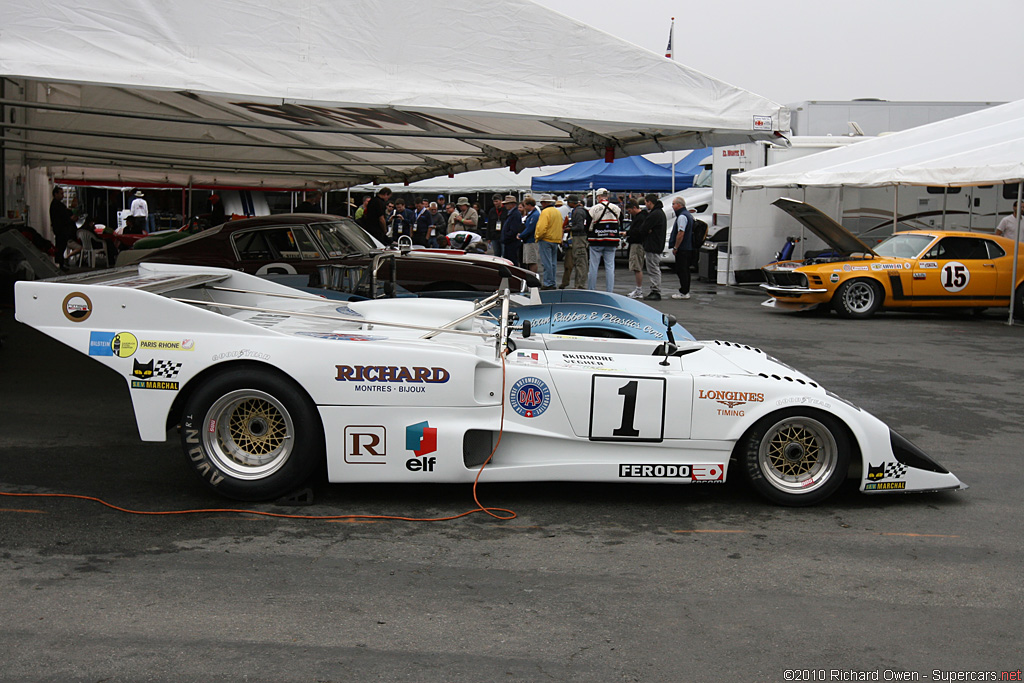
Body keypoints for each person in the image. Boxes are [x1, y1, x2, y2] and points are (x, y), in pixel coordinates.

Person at [587, 188, 622, 292]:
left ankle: (591, 289)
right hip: (611, 240)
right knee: (610, 267)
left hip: (596, 240)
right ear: (607, 196)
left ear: (598, 197)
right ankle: (609, 291)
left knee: (593, 266)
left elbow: (588, 225)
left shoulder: (593, 209)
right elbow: (620, 223)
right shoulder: (616, 209)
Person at [535, 194, 563, 290]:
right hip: (555, 239)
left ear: (544, 203)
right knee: (553, 263)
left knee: (546, 263)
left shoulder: (545, 212)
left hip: (546, 239)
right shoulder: (557, 212)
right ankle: (552, 282)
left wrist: (538, 236)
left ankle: (548, 283)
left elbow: (542, 227)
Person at [641, 193, 666, 301]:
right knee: (654, 267)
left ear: (649, 202)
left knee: (653, 268)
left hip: (653, 244)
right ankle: (655, 289)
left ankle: (656, 290)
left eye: (646, 203)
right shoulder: (660, 213)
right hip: (657, 243)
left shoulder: (654, 214)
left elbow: (643, 228)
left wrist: (647, 231)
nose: (645, 205)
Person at [670, 197, 694, 300]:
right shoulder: (688, 215)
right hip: (688, 247)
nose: (672, 206)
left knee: (682, 270)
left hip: (683, 248)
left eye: (674, 204)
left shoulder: (682, 217)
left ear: (679, 205)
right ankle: (685, 290)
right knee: (685, 270)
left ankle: (684, 291)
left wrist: (676, 246)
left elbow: (681, 232)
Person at [563, 194, 589, 289]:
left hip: (579, 239)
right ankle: (579, 284)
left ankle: (580, 285)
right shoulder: (581, 210)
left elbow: (580, 226)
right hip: (581, 238)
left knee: (580, 262)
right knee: (580, 262)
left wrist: (570, 229)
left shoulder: (578, 212)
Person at [623, 200, 648, 298]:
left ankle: (639, 290)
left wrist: (628, 233)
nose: (629, 213)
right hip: (638, 243)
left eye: (629, 211)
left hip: (637, 244)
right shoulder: (642, 216)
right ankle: (638, 289)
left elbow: (637, 231)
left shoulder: (640, 218)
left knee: (637, 267)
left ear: (634, 208)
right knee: (637, 266)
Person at [49, 186, 77, 269]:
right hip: (60, 229)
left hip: (61, 229)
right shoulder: (56, 205)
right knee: (60, 247)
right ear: (55, 194)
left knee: (61, 246)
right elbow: (62, 216)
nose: (63, 195)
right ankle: (60, 264)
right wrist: (70, 218)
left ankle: (60, 263)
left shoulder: (57, 205)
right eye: (61, 193)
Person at [519, 196, 540, 273]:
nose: (524, 208)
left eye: (524, 205)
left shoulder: (534, 215)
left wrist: (521, 235)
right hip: (528, 240)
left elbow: (530, 228)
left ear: (529, 205)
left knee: (532, 261)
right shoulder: (532, 215)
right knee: (528, 261)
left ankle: (533, 276)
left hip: (531, 240)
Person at [500, 195, 522, 266]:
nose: (505, 205)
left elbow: (514, 230)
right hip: (509, 241)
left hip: (511, 242)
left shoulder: (515, 214)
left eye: (507, 204)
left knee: (512, 261)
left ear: (512, 204)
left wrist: (506, 236)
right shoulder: (511, 213)